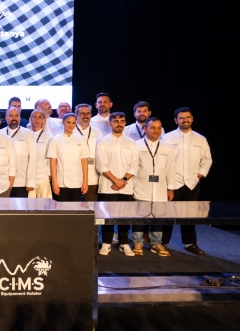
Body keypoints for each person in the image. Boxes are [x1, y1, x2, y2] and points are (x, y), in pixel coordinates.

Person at [160, 107, 213, 255]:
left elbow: (207, 160)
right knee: (167, 215)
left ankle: (190, 243)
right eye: (182, 118)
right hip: (172, 182)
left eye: (188, 117)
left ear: (192, 119)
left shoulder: (200, 139)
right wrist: (166, 182)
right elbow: (162, 161)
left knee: (189, 215)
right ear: (176, 120)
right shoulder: (167, 138)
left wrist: (199, 176)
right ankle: (163, 242)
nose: (185, 120)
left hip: (192, 183)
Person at [95, 112, 139, 256]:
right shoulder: (102, 141)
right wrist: (116, 180)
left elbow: (134, 165)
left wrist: (123, 181)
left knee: (125, 216)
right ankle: (106, 243)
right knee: (107, 217)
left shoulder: (132, 143)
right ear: (110, 123)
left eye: (122, 121)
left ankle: (124, 243)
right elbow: (101, 165)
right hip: (108, 186)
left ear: (125, 123)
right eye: (115, 121)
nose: (119, 123)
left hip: (126, 187)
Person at [132, 117, 175, 257]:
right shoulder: (136, 146)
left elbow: (171, 169)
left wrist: (171, 188)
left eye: (158, 128)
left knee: (158, 217)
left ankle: (156, 242)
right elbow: (132, 168)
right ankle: (137, 241)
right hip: (141, 187)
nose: (156, 131)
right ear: (145, 129)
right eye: (152, 127)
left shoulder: (167, 147)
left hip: (160, 189)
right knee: (139, 217)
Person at [47, 113, 89, 201]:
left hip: (77, 180)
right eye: (68, 122)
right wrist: (54, 182)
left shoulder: (81, 139)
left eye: (73, 123)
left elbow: (84, 161)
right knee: (62, 209)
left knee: (76, 209)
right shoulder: (55, 139)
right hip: (61, 181)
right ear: (63, 122)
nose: (71, 125)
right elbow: (53, 162)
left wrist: (85, 182)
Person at [1, 107, 37, 198]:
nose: (14, 118)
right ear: (6, 118)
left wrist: (30, 181)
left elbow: (33, 158)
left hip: (21, 182)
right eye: (11, 115)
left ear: (20, 118)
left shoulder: (28, 134)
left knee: (19, 210)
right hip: (1, 182)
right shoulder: (0, 134)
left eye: (16, 116)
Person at [74, 103, 102, 201]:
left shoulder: (98, 132)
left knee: (91, 207)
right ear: (76, 115)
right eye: (82, 113)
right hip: (74, 175)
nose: (85, 116)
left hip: (93, 176)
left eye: (88, 113)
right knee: (74, 207)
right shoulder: (71, 131)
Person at [28, 109, 53, 199]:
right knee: (29, 206)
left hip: (43, 176)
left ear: (43, 120)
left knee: (44, 207)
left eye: (39, 117)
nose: (36, 120)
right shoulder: (26, 134)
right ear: (31, 119)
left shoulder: (48, 136)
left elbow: (51, 157)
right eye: (34, 117)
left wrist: (49, 174)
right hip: (28, 177)